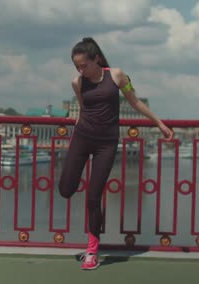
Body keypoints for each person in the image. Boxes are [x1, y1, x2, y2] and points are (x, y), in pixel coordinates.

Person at [58, 37, 173, 270]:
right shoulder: (77, 83)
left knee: (93, 197)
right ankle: (89, 245)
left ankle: (92, 251)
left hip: (106, 144)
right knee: (65, 190)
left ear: (96, 59)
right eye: (76, 66)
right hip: (82, 139)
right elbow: (82, 110)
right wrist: (73, 142)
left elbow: (135, 101)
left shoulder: (118, 75)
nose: (80, 70)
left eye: (84, 65)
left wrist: (159, 123)